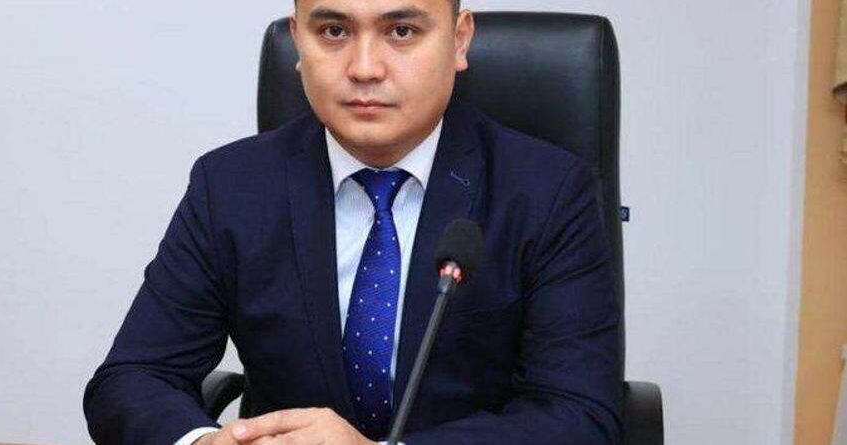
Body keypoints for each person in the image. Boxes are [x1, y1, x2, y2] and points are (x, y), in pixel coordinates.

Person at [83, 0, 622, 443]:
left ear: (459, 40)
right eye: (334, 31)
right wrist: (206, 442)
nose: (365, 68)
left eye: (402, 31)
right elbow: (131, 378)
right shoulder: (230, 186)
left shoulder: (549, 192)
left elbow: (578, 415)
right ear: (299, 40)